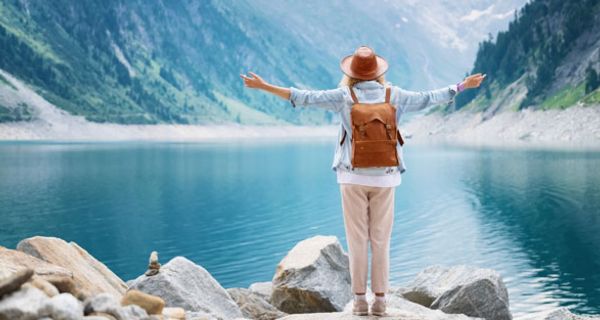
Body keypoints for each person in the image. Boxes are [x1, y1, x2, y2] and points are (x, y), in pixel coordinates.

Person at [240, 45, 485, 316]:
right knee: (380, 241)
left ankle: (359, 302)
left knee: (357, 241)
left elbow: (304, 97)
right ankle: (380, 303)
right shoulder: (395, 95)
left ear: (352, 73)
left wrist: (264, 86)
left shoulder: (344, 96)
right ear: (378, 72)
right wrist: (463, 86)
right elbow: (430, 97)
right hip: (386, 178)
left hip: (351, 176)